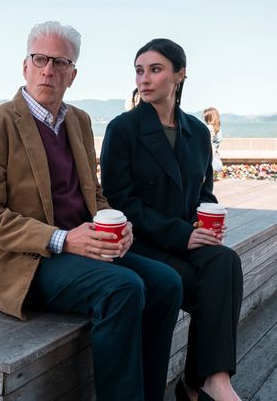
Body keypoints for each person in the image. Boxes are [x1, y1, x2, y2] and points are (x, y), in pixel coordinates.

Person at [0, 22, 182, 401]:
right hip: (27, 259)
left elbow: (92, 193)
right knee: (123, 288)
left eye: (60, 62)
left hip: (84, 246)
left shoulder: (79, 121)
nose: (48, 70)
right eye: (40, 59)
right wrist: (63, 239)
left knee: (167, 283)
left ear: (73, 74)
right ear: (25, 65)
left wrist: (119, 222)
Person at [100, 38, 243, 401]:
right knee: (203, 285)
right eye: (139, 70)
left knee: (226, 261)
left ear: (179, 75)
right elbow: (120, 202)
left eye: (155, 69)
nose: (144, 79)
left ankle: (211, 380)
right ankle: (197, 386)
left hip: (186, 240)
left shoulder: (198, 134)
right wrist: (182, 235)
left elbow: (204, 195)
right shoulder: (123, 129)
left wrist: (206, 225)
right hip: (145, 244)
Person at [203, 107, 223, 173]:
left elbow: (208, 143)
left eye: (205, 118)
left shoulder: (209, 128)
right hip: (216, 158)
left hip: (211, 157)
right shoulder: (218, 129)